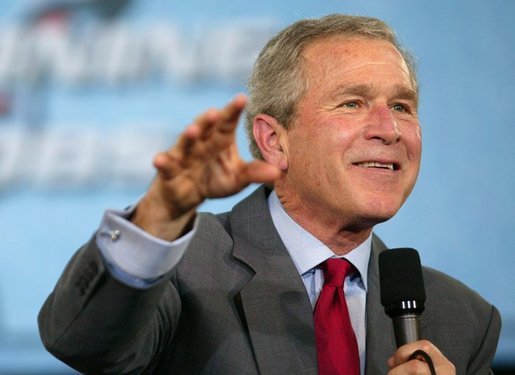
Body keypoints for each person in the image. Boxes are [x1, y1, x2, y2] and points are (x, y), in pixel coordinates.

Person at [38, 14, 501, 374]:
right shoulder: (184, 268)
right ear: (275, 140)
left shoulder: (463, 318)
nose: (390, 129)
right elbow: (83, 343)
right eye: (352, 103)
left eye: (402, 106)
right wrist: (160, 212)